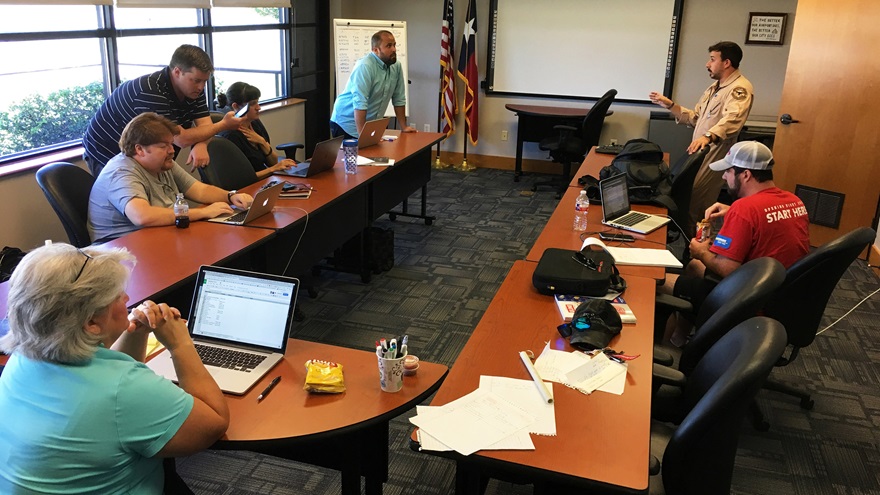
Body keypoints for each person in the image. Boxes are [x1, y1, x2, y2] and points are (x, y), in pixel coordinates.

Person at [0, 243, 229, 493]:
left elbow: (111, 395)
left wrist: (135, 332)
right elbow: (213, 424)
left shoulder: (21, 359)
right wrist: (179, 343)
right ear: (91, 322)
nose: (128, 299)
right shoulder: (124, 389)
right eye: (118, 295)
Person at [663, 141, 810, 344]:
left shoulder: (745, 209)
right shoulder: (794, 201)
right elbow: (766, 218)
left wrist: (701, 251)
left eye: (728, 171)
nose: (724, 177)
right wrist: (732, 211)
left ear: (746, 174)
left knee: (658, 282)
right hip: (781, 297)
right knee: (694, 267)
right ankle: (680, 338)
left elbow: (728, 269)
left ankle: (666, 346)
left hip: (747, 300)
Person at [88, 112, 254, 243]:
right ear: (139, 149)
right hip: (122, 248)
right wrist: (202, 212)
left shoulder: (162, 163)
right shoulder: (122, 172)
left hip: (157, 236)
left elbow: (199, 190)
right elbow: (142, 216)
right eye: (163, 146)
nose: (172, 150)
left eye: (170, 143)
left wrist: (231, 196)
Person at [82, 44, 243, 177]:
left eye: (204, 81)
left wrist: (200, 144)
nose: (201, 87)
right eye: (196, 80)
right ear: (177, 72)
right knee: (128, 206)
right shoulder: (151, 92)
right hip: (106, 151)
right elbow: (180, 139)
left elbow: (205, 126)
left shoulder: (193, 89)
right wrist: (222, 125)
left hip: (145, 152)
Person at [649, 41, 754, 235]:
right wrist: (670, 105)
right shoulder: (714, 88)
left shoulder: (739, 89)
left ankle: (701, 254)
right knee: (691, 201)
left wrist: (707, 137)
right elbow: (695, 118)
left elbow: (733, 119)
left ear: (727, 62)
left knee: (699, 205)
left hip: (715, 153)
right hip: (701, 151)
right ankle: (693, 250)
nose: (708, 64)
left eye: (713, 59)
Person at [330, 30, 417, 139]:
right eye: (389, 46)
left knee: (371, 154)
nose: (394, 49)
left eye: (394, 45)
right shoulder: (365, 66)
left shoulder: (396, 66)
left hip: (369, 124)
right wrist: (363, 136)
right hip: (346, 122)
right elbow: (360, 103)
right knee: (356, 155)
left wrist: (404, 127)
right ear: (376, 50)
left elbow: (399, 98)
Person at [216, 82, 295, 179]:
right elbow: (240, 179)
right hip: (247, 189)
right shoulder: (231, 135)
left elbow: (273, 162)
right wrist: (273, 169)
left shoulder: (254, 123)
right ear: (236, 106)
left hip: (264, 182)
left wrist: (262, 142)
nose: (258, 107)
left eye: (257, 102)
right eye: (253, 104)